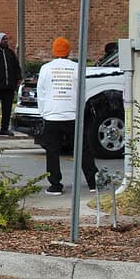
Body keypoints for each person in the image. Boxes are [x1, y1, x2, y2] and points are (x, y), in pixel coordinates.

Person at [37, 37, 96, 195]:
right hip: (72, 115)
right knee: (82, 149)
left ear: (53, 51)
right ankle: (93, 182)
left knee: (52, 152)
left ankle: (55, 185)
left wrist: (44, 113)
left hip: (52, 116)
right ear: (68, 51)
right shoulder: (77, 68)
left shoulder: (45, 69)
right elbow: (82, 92)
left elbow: (41, 93)